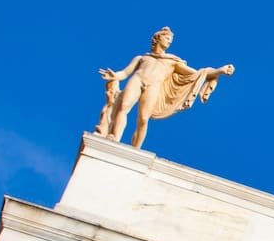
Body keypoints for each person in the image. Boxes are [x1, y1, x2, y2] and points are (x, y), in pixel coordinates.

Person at [96, 27, 235, 149]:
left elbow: (198, 73)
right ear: (158, 38)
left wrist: (219, 71)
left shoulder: (172, 62)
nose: (169, 42)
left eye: (170, 40)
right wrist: (115, 75)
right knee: (123, 107)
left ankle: (135, 150)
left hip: (154, 86)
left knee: (143, 118)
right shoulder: (142, 58)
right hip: (137, 79)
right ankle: (114, 136)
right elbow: (125, 72)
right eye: (167, 38)